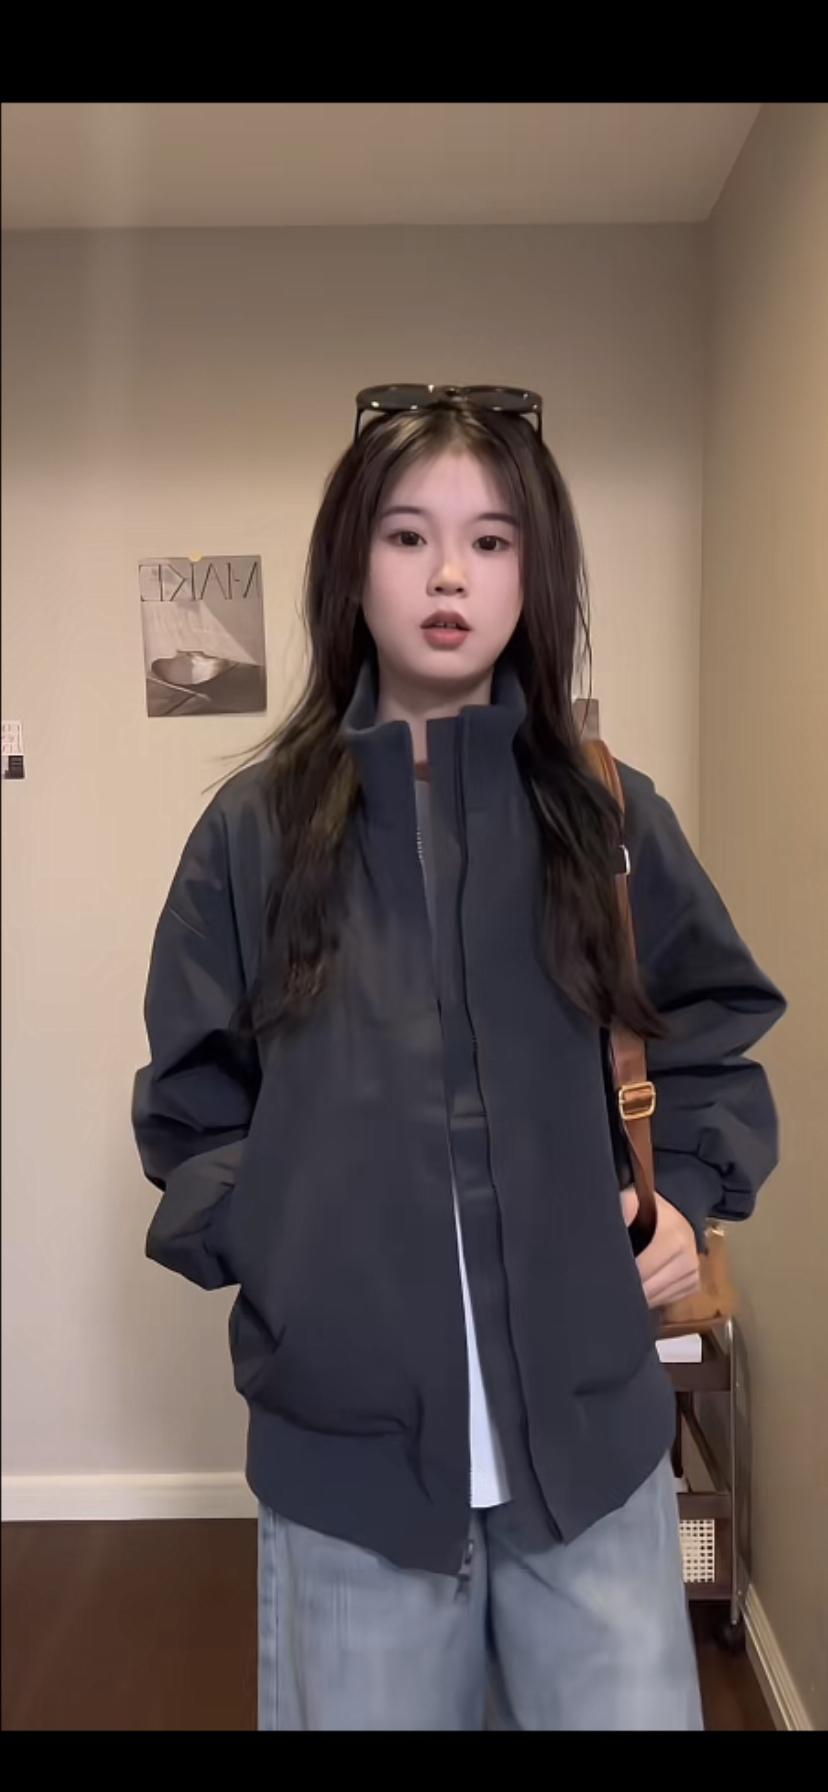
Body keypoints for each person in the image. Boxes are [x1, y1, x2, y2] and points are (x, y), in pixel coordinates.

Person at [133, 383, 786, 1731]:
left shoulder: (608, 816)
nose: (449, 574)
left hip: (594, 1453)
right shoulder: (253, 834)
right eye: (407, 535)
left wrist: (683, 1194)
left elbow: (712, 1033)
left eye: (492, 541)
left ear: (535, 576)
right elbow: (194, 1113)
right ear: (350, 567)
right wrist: (289, 1258)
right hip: (350, 1473)